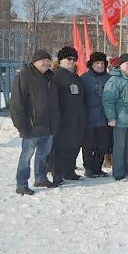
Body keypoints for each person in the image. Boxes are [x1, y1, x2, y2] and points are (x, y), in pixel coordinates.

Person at [10, 50, 60, 195]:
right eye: (42, 61)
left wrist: (55, 123)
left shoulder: (50, 77)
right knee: (26, 156)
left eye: (48, 60)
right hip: (31, 126)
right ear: (34, 62)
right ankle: (21, 184)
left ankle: (40, 178)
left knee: (43, 155)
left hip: (48, 125)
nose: (46, 63)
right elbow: (16, 103)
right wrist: (22, 126)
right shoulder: (25, 76)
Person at [102, 53, 128, 181]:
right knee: (119, 146)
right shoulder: (114, 80)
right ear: (120, 66)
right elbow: (108, 100)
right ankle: (119, 172)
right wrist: (111, 117)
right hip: (120, 117)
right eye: (127, 64)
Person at [52, 46, 87, 184]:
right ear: (61, 60)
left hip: (77, 117)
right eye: (69, 59)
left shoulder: (75, 76)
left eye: (74, 59)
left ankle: (69, 171)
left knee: (74, 145)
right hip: (64, 118)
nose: (72, 62)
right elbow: (54, 99)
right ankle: (57, 173)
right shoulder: (56, 76)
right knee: (61, 147)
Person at [80, 52, 111, 178]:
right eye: (97, 63)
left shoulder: (109, 78)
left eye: (102, 63)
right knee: (88, 145)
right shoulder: (84, 78)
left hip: (104, 118)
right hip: (89, 118)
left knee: (102, 145)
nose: (99, 66)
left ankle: (97, 167)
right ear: (91, 65)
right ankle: (88, 168)